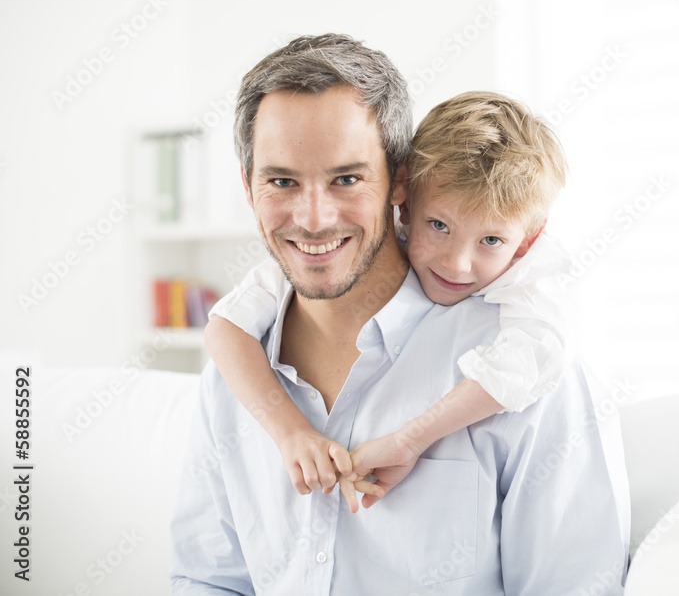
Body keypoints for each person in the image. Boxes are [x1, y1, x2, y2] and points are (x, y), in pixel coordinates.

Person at [169, 34, 630, 594]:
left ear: (400, 182)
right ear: (249, 187)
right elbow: (209, 580)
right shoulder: (231, 377)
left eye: (347, 178)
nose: (313, 220)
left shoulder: (526, 370)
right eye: (282, 180)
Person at [203, 90, 577, 511]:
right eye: (438, 225)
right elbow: (224, 326)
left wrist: (411, 439)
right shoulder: (336, 249)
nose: (456, 264)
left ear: (527, 241)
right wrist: (290, 432)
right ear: (404, 203)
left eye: (491, 241)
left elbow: (529, 363)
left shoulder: (532, 290)